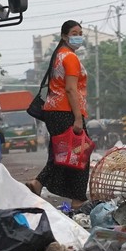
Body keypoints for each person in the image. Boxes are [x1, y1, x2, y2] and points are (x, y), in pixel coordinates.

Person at [28, 20, 90, 207]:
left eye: (80, 32)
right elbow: (71, 89)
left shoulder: (59, 56)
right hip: (66, 112)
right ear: (64, 36)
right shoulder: (69, 58)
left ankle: (38, 183)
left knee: (62, 153)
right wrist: (78, 118)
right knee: (81, 153)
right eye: (74, 32)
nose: (78, 36)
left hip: (54, 111)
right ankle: (78, 199)